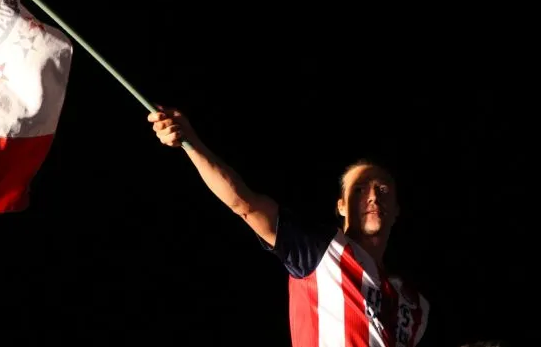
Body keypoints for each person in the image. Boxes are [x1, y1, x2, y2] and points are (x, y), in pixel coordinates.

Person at [148, 107, 430, 346]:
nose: (372, 197)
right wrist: (191, 142)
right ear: (341, 206)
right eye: (359, 189)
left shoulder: (414, 305)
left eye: (382, 189)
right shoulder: (322, 249)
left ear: (397, 210)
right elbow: (245, 204)